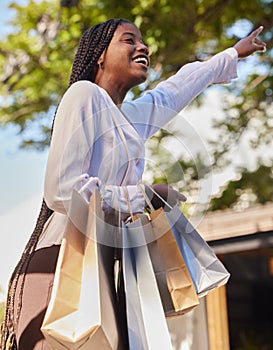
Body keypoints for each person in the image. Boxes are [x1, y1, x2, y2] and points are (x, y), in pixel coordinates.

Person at [0, 18, 266, 350]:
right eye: (129, 40)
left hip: (108, 267)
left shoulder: (127, 119)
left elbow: (174, 90)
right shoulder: (84, 95)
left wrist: (231, 55)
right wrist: (142, 196)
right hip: (61, 268)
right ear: (100, 56)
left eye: (142, 42)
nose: (143, 47)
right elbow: (61, 190)